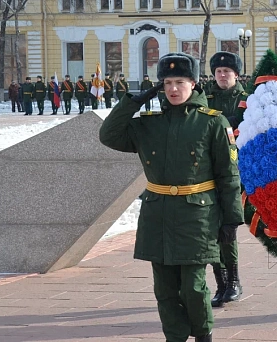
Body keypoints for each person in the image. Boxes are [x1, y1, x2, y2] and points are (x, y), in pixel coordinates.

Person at [99, 52, 244, 342]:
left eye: (180, 82)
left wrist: (231, 220)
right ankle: (174, 337)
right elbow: (109, 135)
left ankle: (203, 334)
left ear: (193, 84)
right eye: (166, 83)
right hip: (159, 214)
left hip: (197, 215)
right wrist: (133, 100)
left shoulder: (213, 123)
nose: (173, 89)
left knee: (193, 286)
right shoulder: (149, 124)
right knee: (164, 289)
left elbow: (228, 177)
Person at [205, 51, 247, 308]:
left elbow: (248, 126)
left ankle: (233, 281)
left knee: (227, 226)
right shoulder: (205, 98)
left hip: (234, 170)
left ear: (236, 74)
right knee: (211, 226)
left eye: (227, 72)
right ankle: (221, 282)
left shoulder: (247, 100)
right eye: (218, 72)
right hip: (208, 170)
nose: (222, 75)